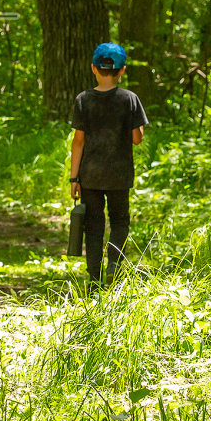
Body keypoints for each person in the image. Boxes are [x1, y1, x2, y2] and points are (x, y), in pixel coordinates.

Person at [69, 42, 148, 286]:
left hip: (90, 175)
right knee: (120, 221)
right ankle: (114, 262)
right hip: (119, 175)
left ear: (93, 68)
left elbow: (78, 143)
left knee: (93, 226)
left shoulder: (83, 100)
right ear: (122, 70)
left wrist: (74, 179)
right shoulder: (130, 99)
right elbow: (137, 139)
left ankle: (93, 280)